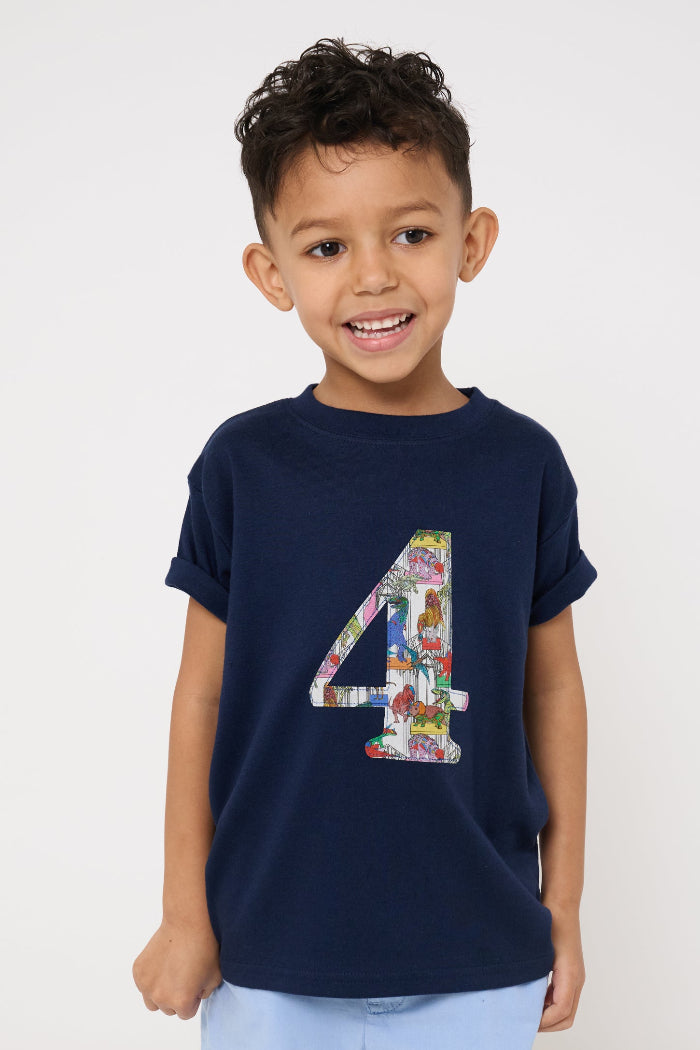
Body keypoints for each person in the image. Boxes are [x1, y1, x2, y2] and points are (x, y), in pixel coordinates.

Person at [132, 37, 598, 1050]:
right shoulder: (243, 466)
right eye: (327, 247)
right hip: (268, 958)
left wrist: (560, 905)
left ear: (470, 242)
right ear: (270, 272)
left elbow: (553, 689)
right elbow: (200, 697)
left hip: (479, 960)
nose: (375, 278)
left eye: (412, 233)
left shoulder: (522, 464)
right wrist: (184, 912)